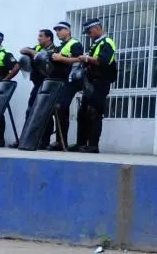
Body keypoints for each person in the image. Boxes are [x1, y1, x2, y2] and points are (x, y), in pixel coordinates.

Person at [74, 18, 116, 153]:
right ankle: (80, 143)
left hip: (100, 83)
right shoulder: (96, 43)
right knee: (82, 114)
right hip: (90, 83)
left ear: (97, 28)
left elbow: (103, 61)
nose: (88, 34)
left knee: (94, 113)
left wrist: (86, 58)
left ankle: (93, 146)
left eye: (89, 31)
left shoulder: (107, 42)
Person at [15, 28, 57, 149]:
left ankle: (44, 141)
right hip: (37, 84)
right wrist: (31, 51)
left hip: (49, 85)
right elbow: (22, 50)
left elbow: (48, 61)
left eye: (41, 36)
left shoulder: (54, 50)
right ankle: (25, 138)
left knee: (46, 113)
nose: (38, 38)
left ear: (48, 38)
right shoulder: (37, 48)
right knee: (30, 111)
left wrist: (36, 54)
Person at [47, 21, 84, 150]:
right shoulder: (61, 46)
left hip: (70, 81)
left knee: (61, 107)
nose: (57, 32)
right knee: (59, 109)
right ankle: (59, 141)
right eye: (56, 30)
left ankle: (62, 142)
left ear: (68, 31)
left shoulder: (75, 44)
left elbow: (80, 59)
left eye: (60, 29)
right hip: (60, 82)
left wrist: (61, 58)